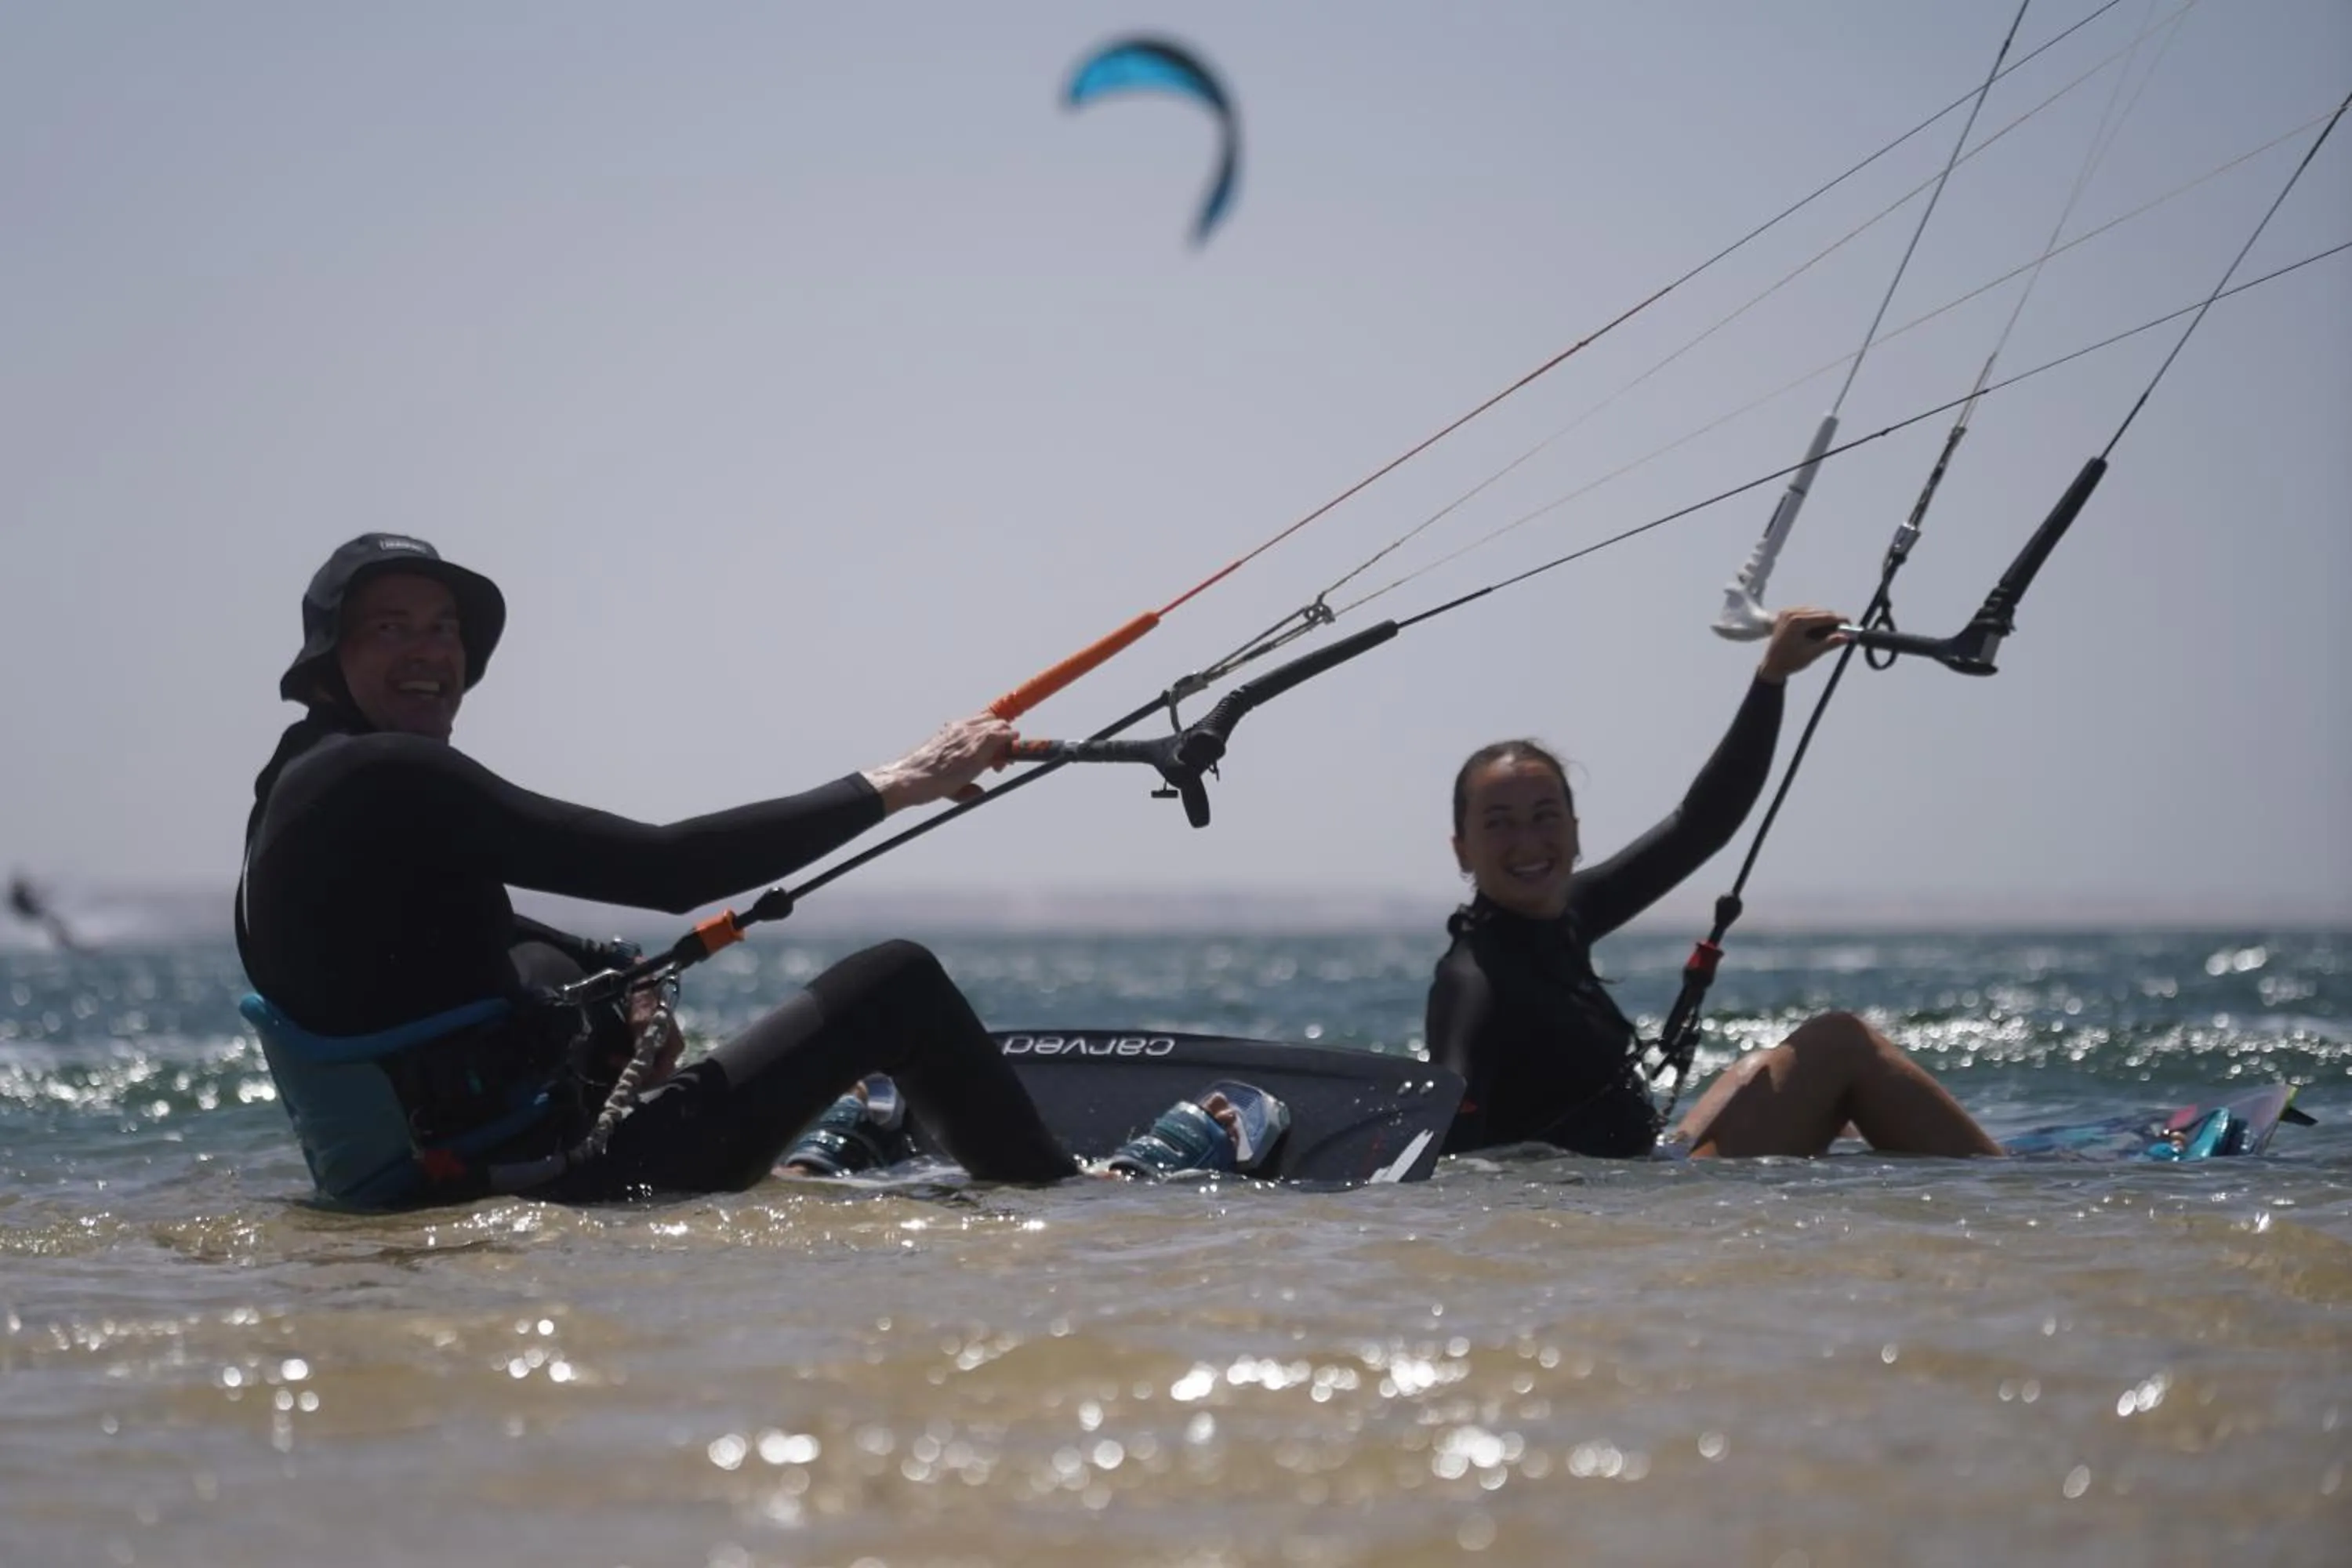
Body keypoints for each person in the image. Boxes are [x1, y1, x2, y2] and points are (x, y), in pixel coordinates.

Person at [238, 533, 1283, 1207]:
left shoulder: (304, 782)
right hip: (546, 1184)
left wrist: (614, 984)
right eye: (392, 631)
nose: (429, 653)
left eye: (444, 630)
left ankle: (801, 1166)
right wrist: (905, 779)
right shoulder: (387, 772)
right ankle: (1080, 1203)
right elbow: (670, 868)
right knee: (896, 983)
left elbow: (443, 943)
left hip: (453, 1185)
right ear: (331, 659)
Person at [1426, 607, 2002, 1160]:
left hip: (1644, 1164)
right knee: (1839, 1044)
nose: (1527, 842)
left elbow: (1700, 826)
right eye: (1499, 824)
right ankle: (2014, 1189)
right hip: (1626, 1202)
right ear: (1462, 849)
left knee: (1753, 1071)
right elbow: (1443, 1137)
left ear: (1575, 833)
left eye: (1544, 816)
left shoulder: (1567, 912)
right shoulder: (1472, 979)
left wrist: (1771, 679)